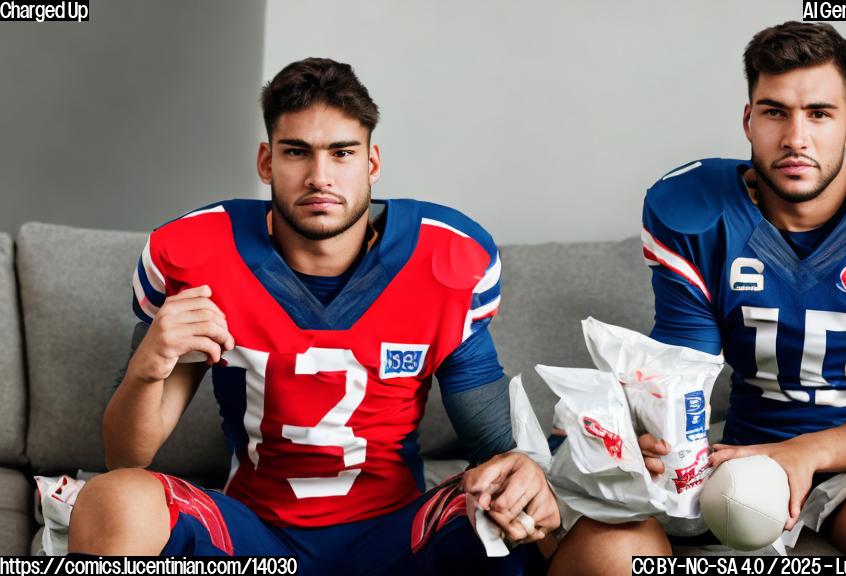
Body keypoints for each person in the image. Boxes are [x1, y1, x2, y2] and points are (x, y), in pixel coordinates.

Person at [67, 58, 556, 575]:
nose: (319, 177)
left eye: (341, 153)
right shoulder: (200, 254)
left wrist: (537, 469)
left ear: (371, 163)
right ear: (265, 161)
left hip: (397, 540)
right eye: (297, 152)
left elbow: (496, 443)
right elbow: (126, 454)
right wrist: (149, 362)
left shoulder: (444, 258)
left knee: (520, 499)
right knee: (114, 496)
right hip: (255, 540)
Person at [550, 21, 846, 572]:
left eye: (819, 114)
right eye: (775, 112)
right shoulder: (696, 214)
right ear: (749, 122)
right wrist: (627, 431)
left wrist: (807, 453)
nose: (796, 138)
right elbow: (680, 379)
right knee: (605, 545)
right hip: (738, 461)